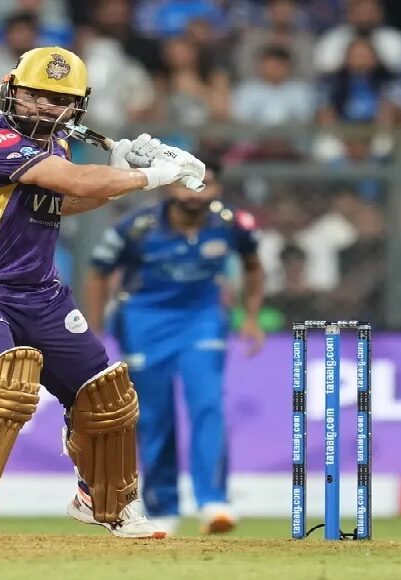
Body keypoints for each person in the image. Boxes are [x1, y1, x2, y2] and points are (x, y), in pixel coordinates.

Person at [0, 46, 205, 540]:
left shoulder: (55, 149)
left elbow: (63, 200)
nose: (47, 106)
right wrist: (150, 176)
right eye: (36, 95)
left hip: (40, 294)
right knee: (0, 390)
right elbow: (72, 181)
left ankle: (104, 502)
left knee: (105, 396)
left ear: (77, 106)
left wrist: (114, 176)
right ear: (12, 91)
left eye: (60, 99)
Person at [86, 167, 265, 535]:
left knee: (208, 404)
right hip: (144, 322)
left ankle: (213, 501)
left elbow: (253, 265)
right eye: (186, 183)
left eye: (205, 184)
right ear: (169, 187)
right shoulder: (137, 227)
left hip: (202, 320)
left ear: (218, 188)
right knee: (154, 416)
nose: (195, 192)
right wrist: (96, 330)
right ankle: (162, 506)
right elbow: (98, 272)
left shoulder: (232, 223)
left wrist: (251, 317)